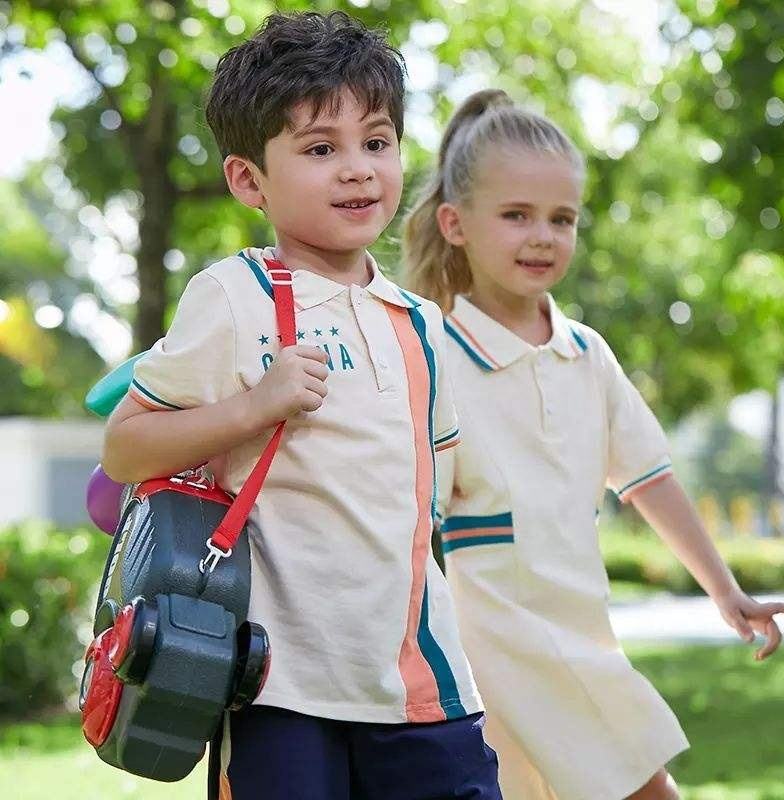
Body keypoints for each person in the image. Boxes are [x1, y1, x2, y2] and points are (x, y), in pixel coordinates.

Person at [102, 14, 501, 800]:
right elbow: (125, 448)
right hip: (276, 687)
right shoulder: (235, 295)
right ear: (249, 180)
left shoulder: (420, 324)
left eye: (376, 142)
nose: (358, 170)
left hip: (421, 684)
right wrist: (254, 406)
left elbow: (435, 497)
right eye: (321, 149)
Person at [402, 88, 784, 800]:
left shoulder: (586, 354)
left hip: (582, 633)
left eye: (562, 218)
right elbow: (408, 513)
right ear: (454, 223)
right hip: (497, 649)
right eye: (516, 215)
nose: (543, 236)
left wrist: (725, 590)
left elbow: (648, 477)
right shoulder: (434, 355)